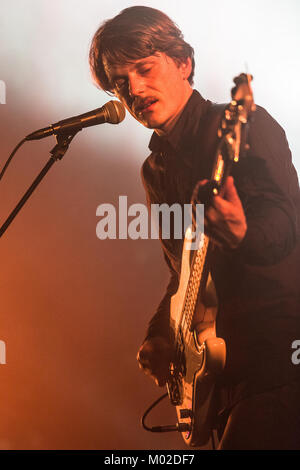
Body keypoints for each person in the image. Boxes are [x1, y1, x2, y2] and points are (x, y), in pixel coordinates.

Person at [89, 6, 300, 449]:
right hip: (219, 383)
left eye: (144, 69)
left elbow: (286, 227)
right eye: (120, 83)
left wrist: (243, 234)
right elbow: (183, 272)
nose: (134, 90)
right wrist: (161, 334)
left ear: (183, 62)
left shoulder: (247, 126)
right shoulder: (155, 171)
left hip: (276, 365)